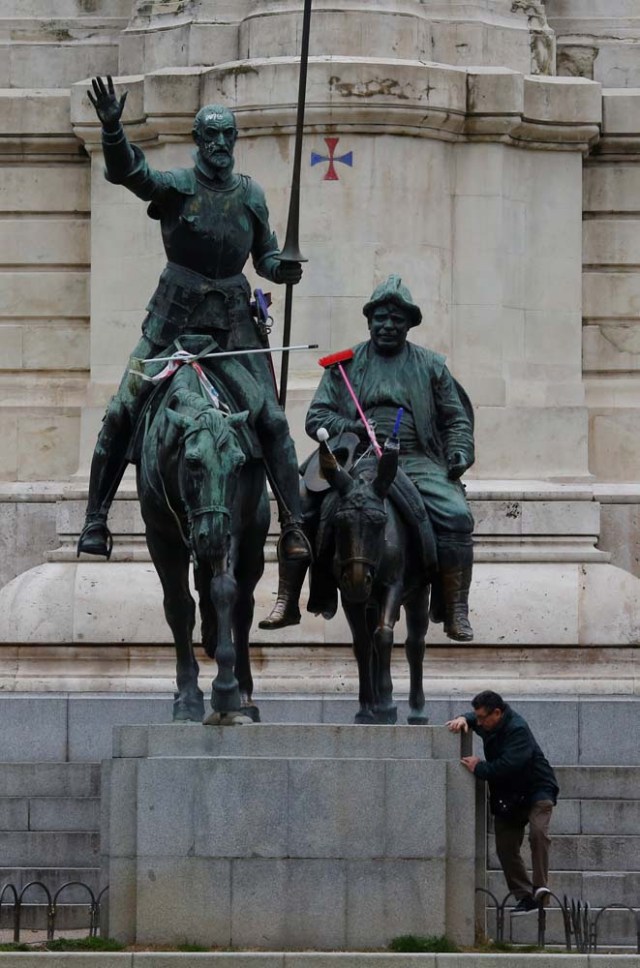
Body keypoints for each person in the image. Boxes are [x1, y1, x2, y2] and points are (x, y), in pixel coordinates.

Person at [77, 75, 310, 567]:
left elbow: (264, 256)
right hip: (172, 323)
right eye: (212, 135)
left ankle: (293, 523)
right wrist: (114, 131)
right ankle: (95, 519)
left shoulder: (251, 195)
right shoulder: (178, 187)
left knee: (270, 418)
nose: (221, 144)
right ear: (198, 141)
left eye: (228, 135)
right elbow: (131, 174)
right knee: (121, 409)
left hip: (235, 326)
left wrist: (280, 268)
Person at [260, 274, 475, 639]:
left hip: (415, 458)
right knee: (300, 502)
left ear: (409, 325)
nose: (388, 325)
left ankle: (454, 606)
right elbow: (316, 417)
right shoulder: (344, 365)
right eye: (381, 318)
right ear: (370, 321)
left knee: (455, 514)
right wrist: (354, 427)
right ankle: (288, 598)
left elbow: (456, 419)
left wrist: (459, 451)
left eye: (397, 319)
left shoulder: (431, 366)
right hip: (355, 457)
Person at [447, 690, 559, 912]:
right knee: (505, 846)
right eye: (476, 717)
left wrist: (479, 767)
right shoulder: (488, 722)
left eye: (482, 718)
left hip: (537, 788)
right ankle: (524, 895)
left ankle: (540, 888)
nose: (479, 723)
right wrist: (463, 718)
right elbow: (474, 719)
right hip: (509, 795)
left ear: (497, 713)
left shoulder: (517, 729)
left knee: (538, 834)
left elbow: (508, 766)